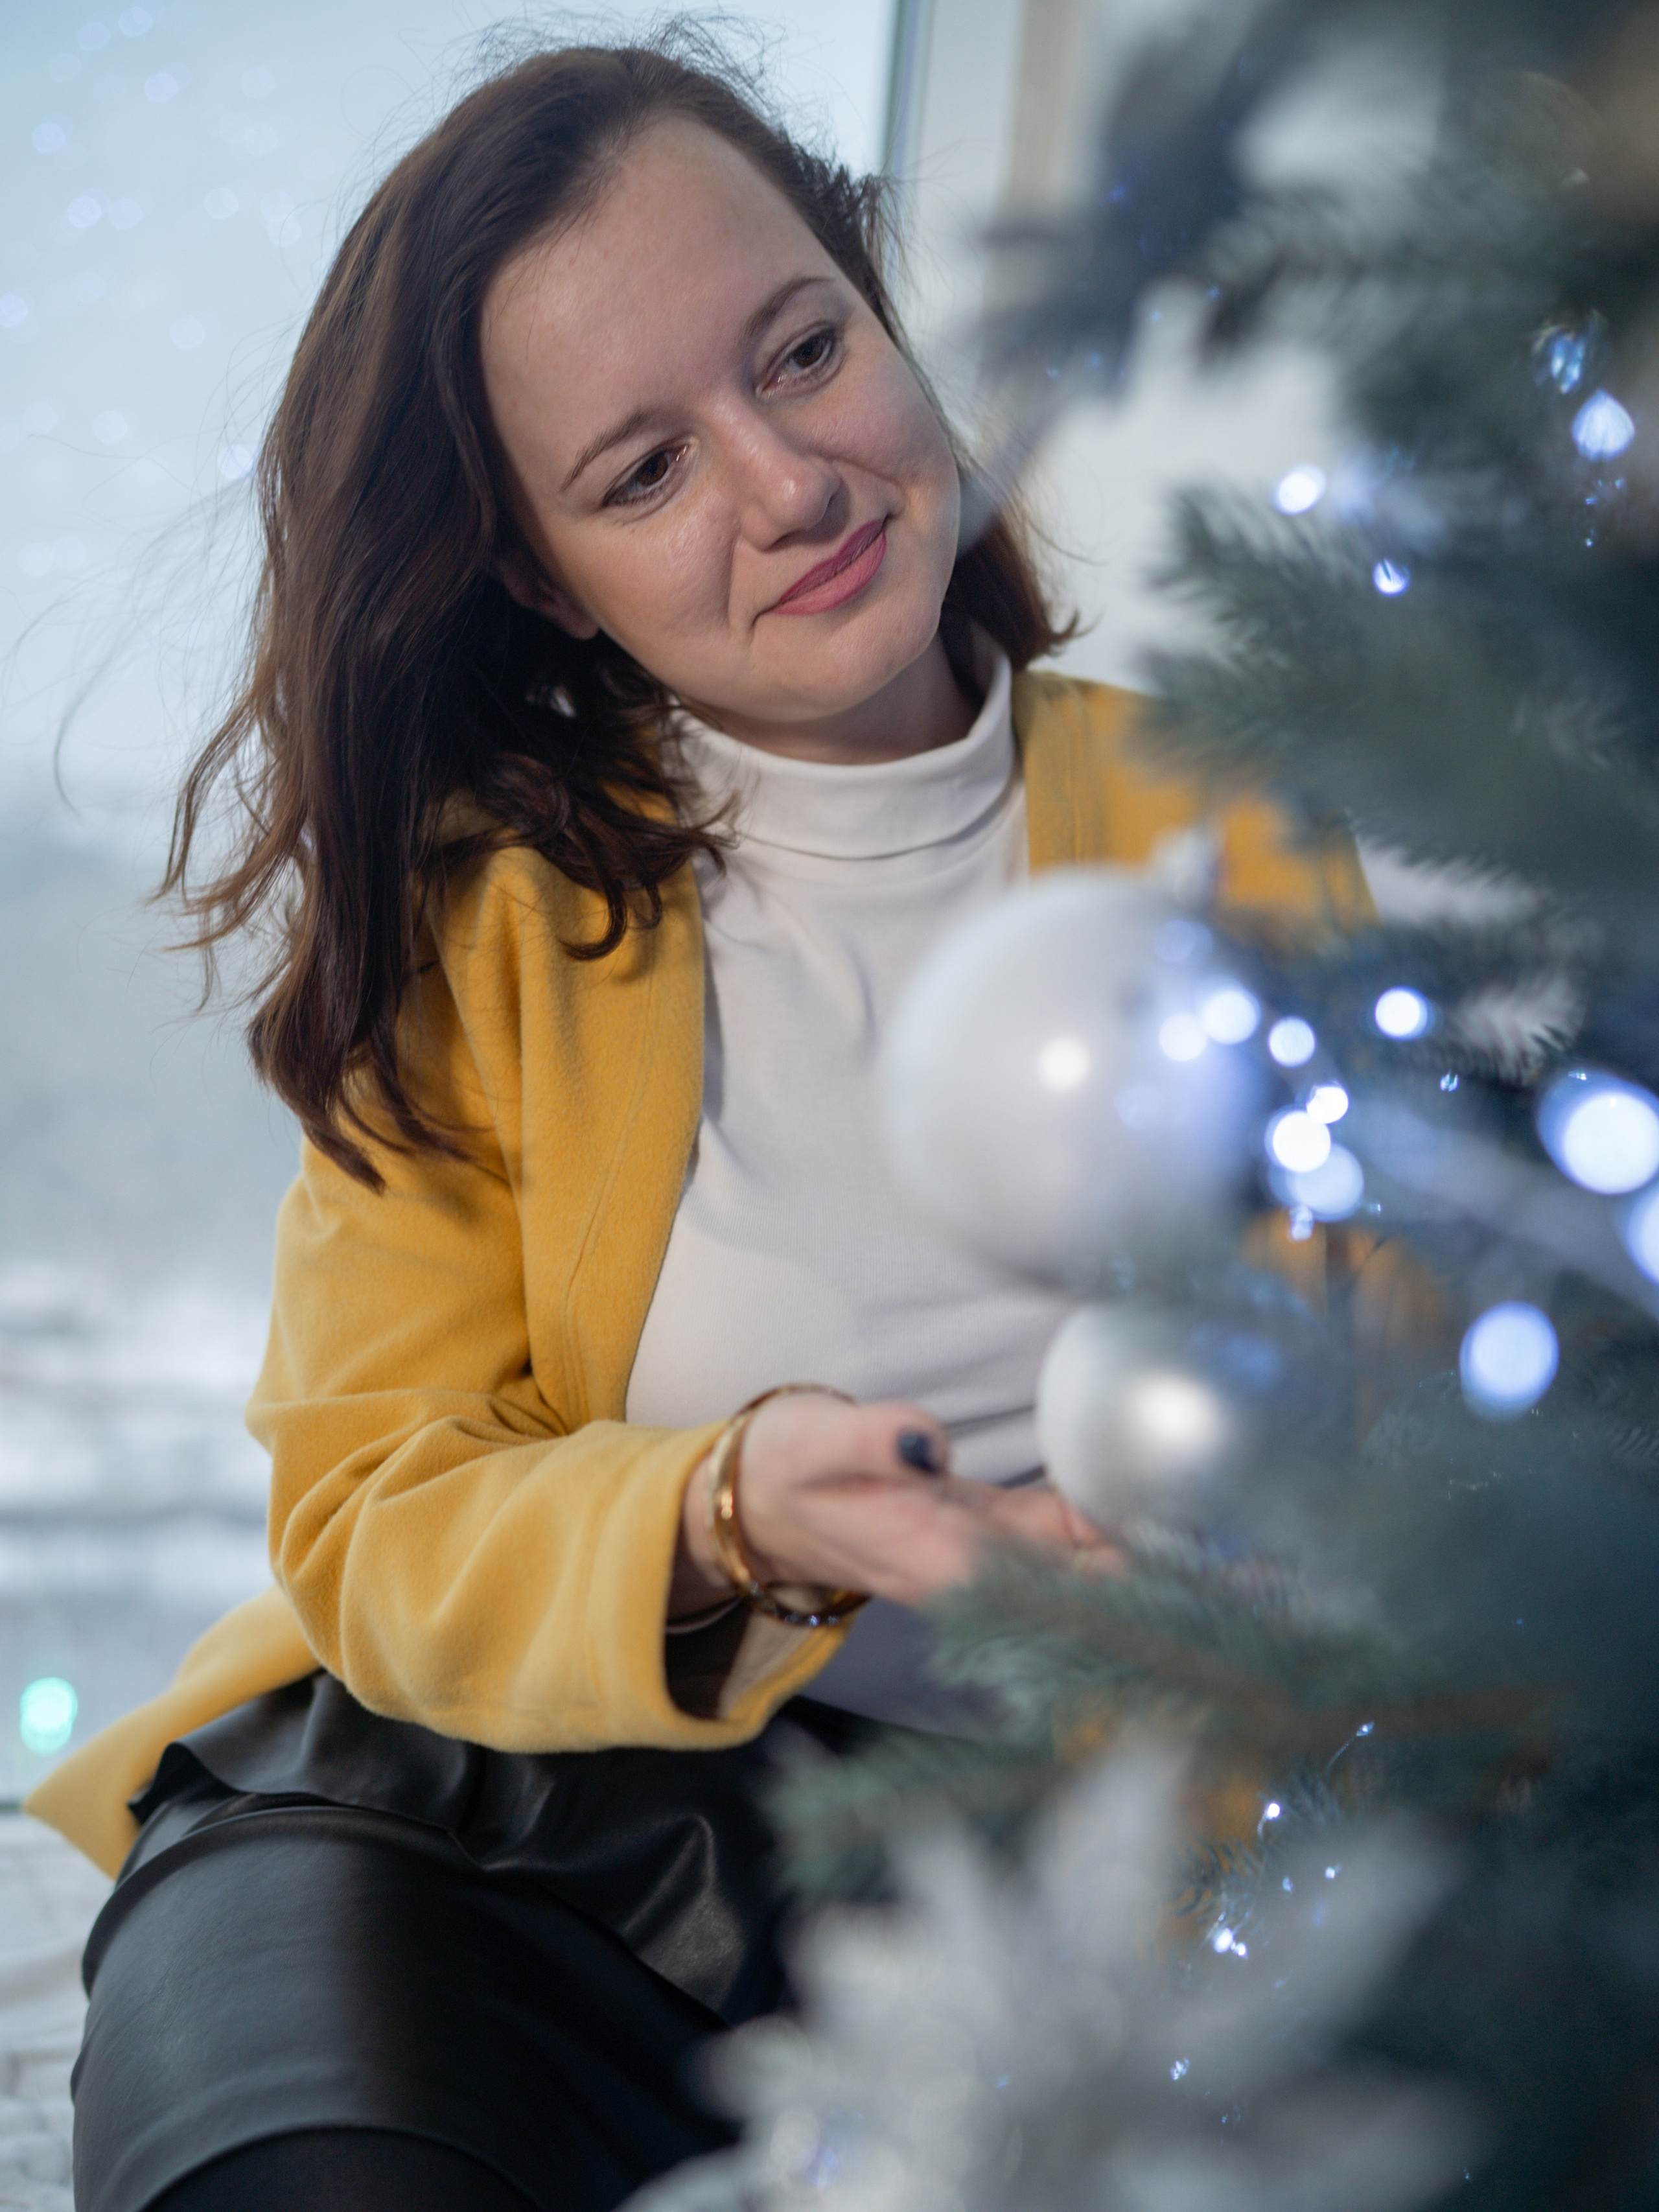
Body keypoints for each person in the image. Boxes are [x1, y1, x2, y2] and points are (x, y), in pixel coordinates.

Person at [30, 36, 1365, 2212]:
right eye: (644, 471)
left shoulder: (1239, 814)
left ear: (880, 304)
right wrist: (734, 1512)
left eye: (804, 351)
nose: (788, 484)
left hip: (1027, 1875)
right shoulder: (492, 920)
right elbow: (371, 1511)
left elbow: (1408, 1370)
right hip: (474, 1828)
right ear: (547, 576)